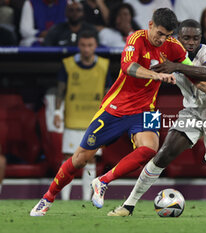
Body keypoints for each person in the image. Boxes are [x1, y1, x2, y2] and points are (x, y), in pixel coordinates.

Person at [30, 7, 195, 217]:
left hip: (146, 109)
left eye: (168, 35)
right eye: (160, 33)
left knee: (151, 149)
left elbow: (190, 69)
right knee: (79, 159)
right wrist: (156, 75)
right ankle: (47, 199)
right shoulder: (135, 38)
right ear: (150, 25)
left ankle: (103, 181)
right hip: (115, 108)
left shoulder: (174, 47)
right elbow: (128, 67)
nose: (162, 39)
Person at [105, 19, 206, 217]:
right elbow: (145, 72)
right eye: (186, 38)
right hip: (193, 112)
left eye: (196, 38)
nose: (191, 42)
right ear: (177, 38)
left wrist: (176, 66)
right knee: (164, 153)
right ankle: (128, 205)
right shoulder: (167, 54)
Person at [53, 30, 111, 201]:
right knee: (68, 158)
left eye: (90, 45)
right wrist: (57, 112)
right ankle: (64, 199)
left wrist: (108, 118)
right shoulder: (68, 64)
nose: (86, 49)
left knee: (90, 159)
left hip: (94, 121)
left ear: (95, 46)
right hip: (72, 118)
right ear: (79, 46)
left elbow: (108, 94)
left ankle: (86, 198)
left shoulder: (103, 66)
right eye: (83, 45)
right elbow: (60, 90)